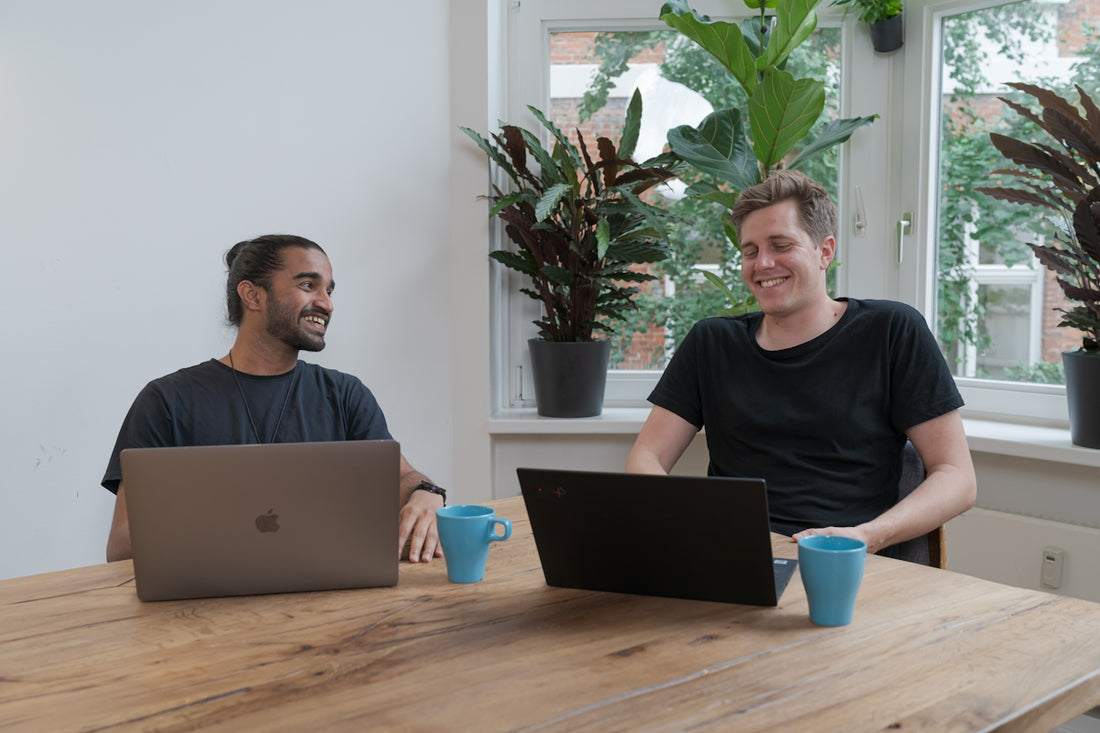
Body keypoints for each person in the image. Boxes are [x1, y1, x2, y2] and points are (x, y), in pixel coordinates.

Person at [625, 171, 976, 556]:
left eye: (781, 245)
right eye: (750, 250)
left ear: (825, 251)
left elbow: (957, 478)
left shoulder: (892, 331)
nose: (763, 263)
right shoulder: (711, 343)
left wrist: (867, 536)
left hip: (846, 560)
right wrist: (682, 521)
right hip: (735, 558)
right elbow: (647, 457)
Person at [103, 234, 444, 563]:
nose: (326, 303)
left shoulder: (345, 394)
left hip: (325, 601)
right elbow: (121, 545)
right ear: (252, 296)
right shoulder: (166, 401)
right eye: (308, 285)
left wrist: (426, 493)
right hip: (204, 611)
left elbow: (401, 477)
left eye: (329, 290)